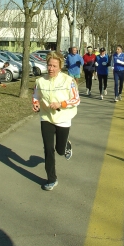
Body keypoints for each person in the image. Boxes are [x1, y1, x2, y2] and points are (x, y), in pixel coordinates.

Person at [32, 51, 80, 191]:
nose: (51, 68)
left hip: (63, 118)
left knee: (59, 151)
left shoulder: (68, 81)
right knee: (48, 149)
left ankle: (66, 146)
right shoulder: (40, 81)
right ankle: (51, 179)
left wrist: (61, 104)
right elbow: (35, 95)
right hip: (46, 117)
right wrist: (35, 104)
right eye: (49, 65)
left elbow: (76, 99)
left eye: (54, 66)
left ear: (60, 66)